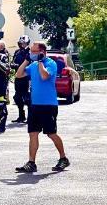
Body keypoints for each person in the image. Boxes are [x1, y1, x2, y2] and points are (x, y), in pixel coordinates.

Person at [14, 41, 69, 174]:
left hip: (48, 105)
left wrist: (39, 62)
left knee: (51, 133)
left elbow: (44, 76)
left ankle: (63, 158)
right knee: (33, 133)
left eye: (33, 51)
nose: (31, 53)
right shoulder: (32, 65)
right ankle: (31, 162)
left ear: (42, 52)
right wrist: (27, 60)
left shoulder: (51, 63)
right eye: (30, 51)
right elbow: (18, 74)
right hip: (35, 105)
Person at [12, 36, 31, 123]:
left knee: (27, 98)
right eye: (21, 43)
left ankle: (30, 117)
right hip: (17, 77)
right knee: (17, 97)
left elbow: (30, 64)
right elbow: (13, 61)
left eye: (23, 43)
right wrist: (13, 65)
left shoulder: (29, 52)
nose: (22, 44)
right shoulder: (17, 52)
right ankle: (21, 116)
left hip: (26, 77)